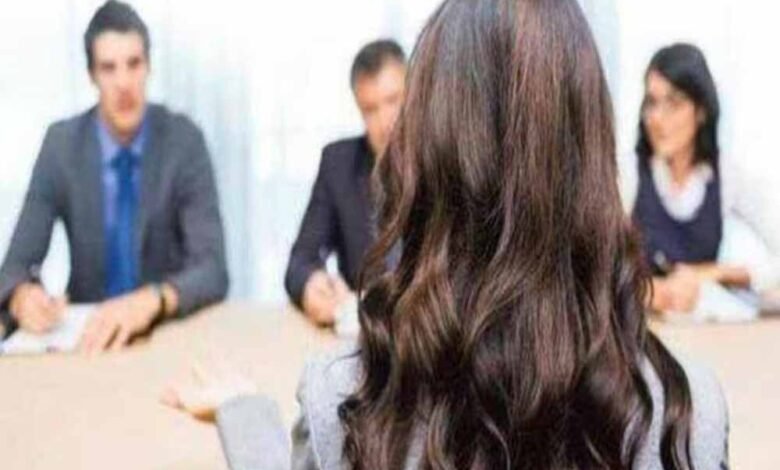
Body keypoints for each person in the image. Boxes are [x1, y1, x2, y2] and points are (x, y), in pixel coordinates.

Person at [167, 0, 728, 468]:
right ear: (593, 150)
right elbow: (301, 259)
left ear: (422, 153)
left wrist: (245, 412)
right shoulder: (690, 417)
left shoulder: (342, 405)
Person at [0, 1, 228, 352]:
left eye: (134, 64)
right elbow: (16, 264)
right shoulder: (61, 145)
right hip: (88, 340)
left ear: (149, 66)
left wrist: (151, 300)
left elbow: (212, 269)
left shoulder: (184, 140)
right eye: (109, 68)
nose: (124, 83)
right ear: (92, 75)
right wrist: (21, 297)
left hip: (165, 334)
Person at [621, 43, 780, 313]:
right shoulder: (628, 176)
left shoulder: (727, 176)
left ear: (701, 111)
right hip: (640, 328)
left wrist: (714, 273)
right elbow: (595, 272)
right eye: (652, 103)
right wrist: (650, 291)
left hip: (699, 331)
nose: (657, 118)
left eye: (674, 103)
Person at [284, 40, 406, 326]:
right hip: (362, 333)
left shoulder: (446, 158)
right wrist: (312, 285)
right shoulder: (338, 164)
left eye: (393, 101)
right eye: (370, 109)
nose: (385, 121)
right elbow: (300, 260)